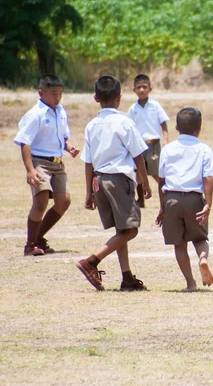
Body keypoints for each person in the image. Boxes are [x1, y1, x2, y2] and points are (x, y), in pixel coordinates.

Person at [77, 75, 151, 292]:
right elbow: (138, 156)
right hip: (119, 180)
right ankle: (92, 261)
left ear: (95, 98)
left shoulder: (91, 126)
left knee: (122, 230)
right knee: (131, 230)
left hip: (99, 179)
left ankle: (127, 277)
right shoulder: (125, 121)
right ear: (120, 97)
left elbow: (88, 161)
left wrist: (89, 192)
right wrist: (144, 182)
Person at [14, 74, 80, 256]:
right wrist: (30, 169)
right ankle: (30, 245)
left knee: (63, 202)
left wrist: (69, 148)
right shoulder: (36, 114)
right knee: (41, 200)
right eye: (53, 93)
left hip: (58, 163)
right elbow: (24, 142)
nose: (57, 97)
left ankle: (39, 237)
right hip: (40, 162)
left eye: (60, 93)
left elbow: (62, 137)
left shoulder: (61, 111)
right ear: (41, 93)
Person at [155, 107, 213, 292]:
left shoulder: (167, 149)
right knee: (199, 237)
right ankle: (203, 259)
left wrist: (162, 206)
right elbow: (208, 179)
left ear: (176, 128)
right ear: (199, 129)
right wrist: (208, 204)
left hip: (171, 198)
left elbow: (161, 181)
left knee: (179, 244)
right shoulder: (204, 149)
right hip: (194, 199)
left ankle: (190, 283)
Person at [128, 74, 170, 207]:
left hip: (153, 145)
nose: (141, 90)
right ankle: (140, 200)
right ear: (134, 90)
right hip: (139, 145)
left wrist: (166, 139)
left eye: (144, 87)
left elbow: (163, 122)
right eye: (138, 87)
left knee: (156, 173)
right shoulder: (132, 109)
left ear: (150, 88)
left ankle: (168, 195)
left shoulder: (155, 105)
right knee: (139, 173)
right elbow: (129, 127)